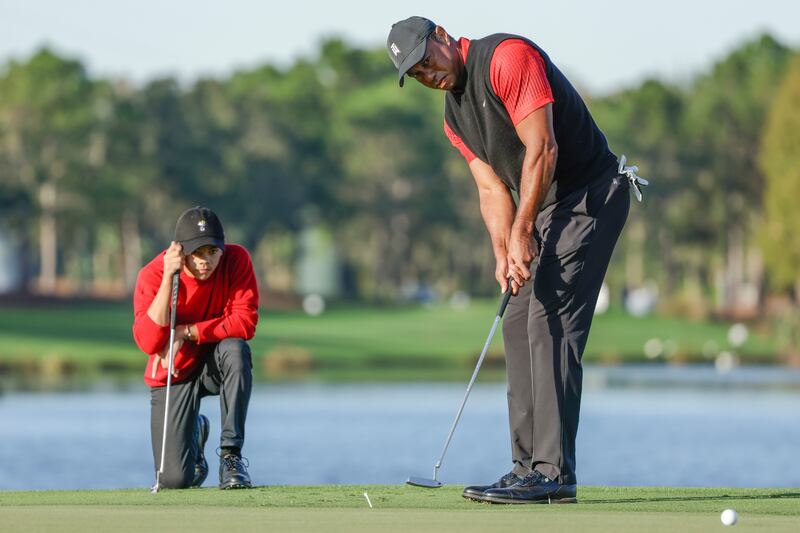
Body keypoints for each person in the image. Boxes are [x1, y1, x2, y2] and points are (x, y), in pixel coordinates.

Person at [387, 17, 645, 504]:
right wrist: (504, 251)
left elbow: (543, 148)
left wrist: (524, 230)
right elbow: (490, 190)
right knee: (517, 321)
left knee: (550, 324)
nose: (428, 74)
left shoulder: (507, 58)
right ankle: (524, 467)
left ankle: (553, 475)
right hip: (544, 207)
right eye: (416, 73)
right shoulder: (453, 117)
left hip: (589, 194)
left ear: (443, 36)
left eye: (427, 60)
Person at [133, 206, 259, 489]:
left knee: (236, 350)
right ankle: (196, 432)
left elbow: (246, 322)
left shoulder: (236, 260)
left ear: (222, 249)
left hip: (216, 362)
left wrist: (186, 332)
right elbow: (150, 342)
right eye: (197, 253)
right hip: (175, 372)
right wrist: (168, 276)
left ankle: (231, 456)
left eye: (212, 252)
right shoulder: (153, 275)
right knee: (174, 480)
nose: (206, 261)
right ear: (180, 251)